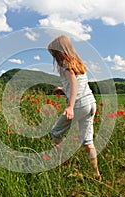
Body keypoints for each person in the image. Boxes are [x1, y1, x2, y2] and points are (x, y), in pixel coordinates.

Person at [48, 35, 101, 181]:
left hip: (79, 104)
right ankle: (96, 174)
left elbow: (74, 84)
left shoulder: (65, 63)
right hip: (91, 103)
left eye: (53, 53)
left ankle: (63, 165)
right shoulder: (77, 62)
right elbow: (78, 83)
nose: (53, 56)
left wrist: (70, 106)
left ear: (60, 50)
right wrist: (63, 88)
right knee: (88, 142)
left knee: (55, 133)